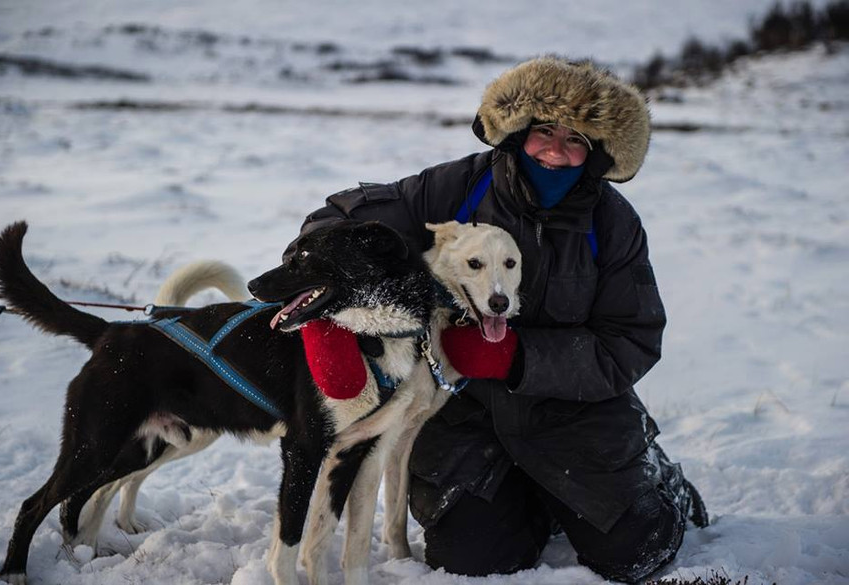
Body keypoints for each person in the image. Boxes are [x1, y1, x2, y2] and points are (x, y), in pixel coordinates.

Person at [288, 56, 708, 583]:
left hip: (576, 413)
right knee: (471, 562)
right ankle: (538, 503)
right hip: (461, 415)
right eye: (544, 132)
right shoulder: (455, 189)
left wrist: (516, 357)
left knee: (636, 552)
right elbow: (334, 225)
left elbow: (631, 340)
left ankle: (661, 483)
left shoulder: (612, 223)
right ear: (517, 132)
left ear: (598, 152)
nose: (555, 151)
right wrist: (325, 320)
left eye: (576, 139)